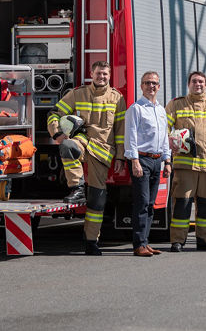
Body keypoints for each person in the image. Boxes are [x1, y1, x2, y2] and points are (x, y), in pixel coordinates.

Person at [47, 60, 126, 256]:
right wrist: (57, 134)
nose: (102, 77)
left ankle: (91, 241)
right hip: (82, 141)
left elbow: (121, 130)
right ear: (92, 73)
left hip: (103, 151)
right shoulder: (77, 93)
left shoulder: (117, 98)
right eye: (98, 73)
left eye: (105, 74)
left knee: (97, 201)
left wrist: (121, 157)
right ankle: (77, 187)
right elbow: (55, 112)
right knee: (67, 146)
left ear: (109, 76)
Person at [165, 71, 206, 252]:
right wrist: (168, 152)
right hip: (185, 165)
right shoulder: (176, 105)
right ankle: (178, 241)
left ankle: (205, 240)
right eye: (194, 81)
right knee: (182, 204)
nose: (197, 84)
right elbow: (164, 130)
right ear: (188, 84)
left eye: (201, 81)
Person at [124, 71, 172, 257]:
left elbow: (164, 139)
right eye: (147, 83)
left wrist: (167, 161)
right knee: (142, 203)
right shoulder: (136, 109)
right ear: (141, 86)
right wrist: (134, 161)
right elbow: (131, 137)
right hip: (141, 160)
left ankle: (146, 242)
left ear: (159, 87)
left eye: (154, 83)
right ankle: (138, 244)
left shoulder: (161, 110)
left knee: (151, 204)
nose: (151, 86)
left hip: (156, 160)